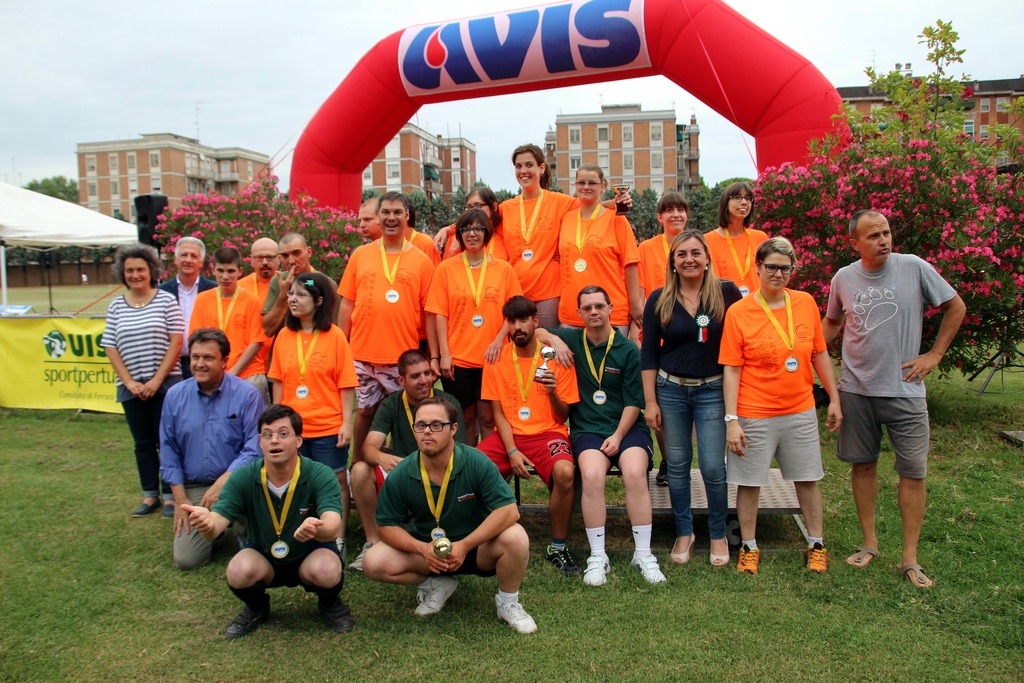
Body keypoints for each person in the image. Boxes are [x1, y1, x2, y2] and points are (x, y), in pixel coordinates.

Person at [823, 210, 965, 588]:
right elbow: (833, 322)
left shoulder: (914, 268)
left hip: (905, 390)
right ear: (854, 242)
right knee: (862, 466)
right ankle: (869, 543)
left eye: (886, 233)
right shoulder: (844, 278)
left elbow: (955, 306)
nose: (883, 240)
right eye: (873, 236)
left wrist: (934, 355)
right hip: (856, 390)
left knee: (913, 473)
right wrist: (801, 352)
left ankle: (910, 558)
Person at [720, 237, 842, 575]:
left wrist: (834, 398)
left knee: (808, 478)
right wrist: (732, 419)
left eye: (785, 269)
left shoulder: (804, 302)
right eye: (772, 267)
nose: (778, 274)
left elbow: (819, 353)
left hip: (799, 409)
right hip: (754, 412)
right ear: (758, 268)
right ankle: (748, 546)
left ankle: (816, 544)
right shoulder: (739, 312)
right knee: (750, 482)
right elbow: (732, 368)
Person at [362, 398, 536, 634]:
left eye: (436, 425)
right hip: (429, 554)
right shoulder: (402, 473)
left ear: (453, 429)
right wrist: (422, 549)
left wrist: (464, 546)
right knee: (373, 561)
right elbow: (385, 526)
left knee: (516, 536)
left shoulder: (476, 461)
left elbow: (509, 510)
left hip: (476, 550)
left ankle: (508, 602)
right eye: (420, 425)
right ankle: (436, 584)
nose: (427, 431)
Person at [181, 404, 354, 637]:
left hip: (310, 553)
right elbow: (215, 526)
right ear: (260, 442)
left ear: (299, 441)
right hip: (264, 554)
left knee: (327, 569)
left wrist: (317, 529)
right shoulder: (243, 476)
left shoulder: (319, 473)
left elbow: (332, 525)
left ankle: (330, 604)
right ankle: (257, 607)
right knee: (237, 570)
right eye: (267, 435)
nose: (274, 440)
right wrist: (206, 523)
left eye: (283, 434)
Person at [549, 286, 663, 585]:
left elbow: (634, 403)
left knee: (635, 473)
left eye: (599, 306)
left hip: (627, 428)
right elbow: (536, 331)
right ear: (579, 313)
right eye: (587, 308)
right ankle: (598, 555)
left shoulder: (628, 350)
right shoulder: (573, 340)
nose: (594, 312)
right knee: (591, 474)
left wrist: (618, 435)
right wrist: (555, 341)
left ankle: (643, 553)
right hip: (588, 430)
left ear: (611, 309)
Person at [642, 230, 742, 566]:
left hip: (713, 390)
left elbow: (740, 342)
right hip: (670, 391)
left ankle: (717, 533)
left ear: (707, 258)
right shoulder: (659, 299)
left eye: (696, 253)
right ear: (672, 261)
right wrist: (651, 401)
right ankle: (685, 532)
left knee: (713, 467)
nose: (689, 260)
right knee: (678, 464)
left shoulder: (726, 293)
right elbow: (648, 353)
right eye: (681, 254)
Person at [478, 295, 582, 576]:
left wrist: (552, 393)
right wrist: (511, 450)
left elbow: (562, 417)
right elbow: (497, 413)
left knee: (565, 472)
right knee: (471, 466)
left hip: (548, 433)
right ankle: (477, 536)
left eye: (523, 320)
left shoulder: (557, 357)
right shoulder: (497, 358)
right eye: (512, 322)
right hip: (508, 435)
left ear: (536, 321)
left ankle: (558, 547)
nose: (517, 327)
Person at [338, 191, 434, 475]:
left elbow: (430, 312)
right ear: (378, 217)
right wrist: (341, 344)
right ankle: (359, 467)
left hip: (400, 358)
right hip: (362, 354)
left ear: (407, 216)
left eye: (397, 212)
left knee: (404, 415)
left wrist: (433, 354)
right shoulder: (361, 255)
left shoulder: (421, 260)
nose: (391, 218)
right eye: (386, 212)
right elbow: (347, 302)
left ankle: (407, 471)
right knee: (365, 412)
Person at [349, 349, 467, 571]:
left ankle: (440, 533)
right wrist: (383, 457)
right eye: (415, 376)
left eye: (427, 374)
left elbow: (460, 449)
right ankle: (373, 541)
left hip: (438, 472)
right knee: (360, 470)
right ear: (401, 381)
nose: (424, 381)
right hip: (402, 472)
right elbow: (368, 448)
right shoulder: (393, 403)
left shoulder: (448, 402)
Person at [159, 328, 265, 569]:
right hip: (196, 486)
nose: (199, 364)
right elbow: (168, 449)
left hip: (239, 482)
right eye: (195, 357)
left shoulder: (247, 395)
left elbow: (254, 446)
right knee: (186, 560)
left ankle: (244, 529)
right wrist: (180, 499)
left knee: (262, 549)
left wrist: (224, 481)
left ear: (224, 361)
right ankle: (215, 527)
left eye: (208, 358)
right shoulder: (174, 396)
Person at [269, 272, 357, 556]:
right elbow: (278, 381)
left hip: (327, 427)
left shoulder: (335, 337)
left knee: (336, 482)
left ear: (318, 301)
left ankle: (337, 536)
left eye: (300, 294)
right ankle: (300, 534)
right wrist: (276, 422)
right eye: (290, 294)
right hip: (293, 429)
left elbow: (346, 384)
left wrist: (346, 423)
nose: (292, 299)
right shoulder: (284, 336)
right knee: (296, 482)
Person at [426, 208, 523, 444]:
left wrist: (498, 341)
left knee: (489, 418)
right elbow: (440, 314)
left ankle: (488, 464)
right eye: (466, 229)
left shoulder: (504, 269)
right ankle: (467, 463)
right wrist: (443, 355)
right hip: (458, 360)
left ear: (487, 233)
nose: (472, 234)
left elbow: (513, 312)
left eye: (478, 228)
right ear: (459, 234)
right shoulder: (446, 269)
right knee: (466, 419)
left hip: (494, 357)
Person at [102, 243, 184, 518]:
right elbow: (110, 346)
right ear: (122, 273)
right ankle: (150, 495)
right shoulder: (116, 305)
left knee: (167, 441)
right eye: (129, 270)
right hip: (131, 388)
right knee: (143, 443)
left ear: (151, 271)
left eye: (140, 269)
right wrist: (129, 383)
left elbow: (176, 342)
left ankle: (171, 495)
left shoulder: (166, 300)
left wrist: (156, 380)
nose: (135, 275)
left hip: (165, 385)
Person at [637, 192, 691, 486]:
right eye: (669, 210)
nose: (675, 215)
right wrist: (639, 330)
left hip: (691, 334)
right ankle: (669, 459)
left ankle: (686, 459)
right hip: (658, 332)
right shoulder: (646, 248)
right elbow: (641, 292)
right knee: (659, 402)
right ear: (660, 217)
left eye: (680, 210)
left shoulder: (695, 245)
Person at [557, 164, 642, 341]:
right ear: (575, 185)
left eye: (592, 183)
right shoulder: (566, 218)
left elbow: (631, 263)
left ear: (603, 186)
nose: (586, 187)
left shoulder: (617, 219)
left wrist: (635, 305)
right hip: (572, 314)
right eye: (581, 182)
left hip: (610, 313)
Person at [189, 247, 269, 402]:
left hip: (249, 373)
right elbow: (195, 339)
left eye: (231, 271)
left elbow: (256, 342)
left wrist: (230, 374)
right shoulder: (203, 299)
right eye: (220, 270)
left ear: (240, 272)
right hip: (212, 374)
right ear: (213, 270)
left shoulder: (251, 300)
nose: (225, 276)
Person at [261, 232, 339, 337]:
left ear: (309, 252)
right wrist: (283, 295)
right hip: (285, 345)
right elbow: (268, 330)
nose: (291, 261)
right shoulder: (279, 280)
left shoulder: (326, 283)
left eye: (296, 253)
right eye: (285, 256)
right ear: (279, 258)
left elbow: (334, 328)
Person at [158, 236, 215, 379]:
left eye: (194, 256)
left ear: (201, 262)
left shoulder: (214, 291)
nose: (188, 260)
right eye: (184, 255)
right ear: (175, 259)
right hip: (171, 367)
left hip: (206, 365)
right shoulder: (160, 293)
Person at [705, 181, 768, 297]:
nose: (744, 202)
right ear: (726, 202)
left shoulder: (760, 238)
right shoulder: (708, 241)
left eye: (748, 198)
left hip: (758, 304)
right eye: (737, 197)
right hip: (725, 305)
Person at [439, 187, 509, 261]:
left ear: (494, 207)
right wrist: (453, 251)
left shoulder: (505, 237)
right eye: (469, 207)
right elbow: (445, 267)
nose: (473, 211)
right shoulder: (458, 237)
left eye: (478, 205)